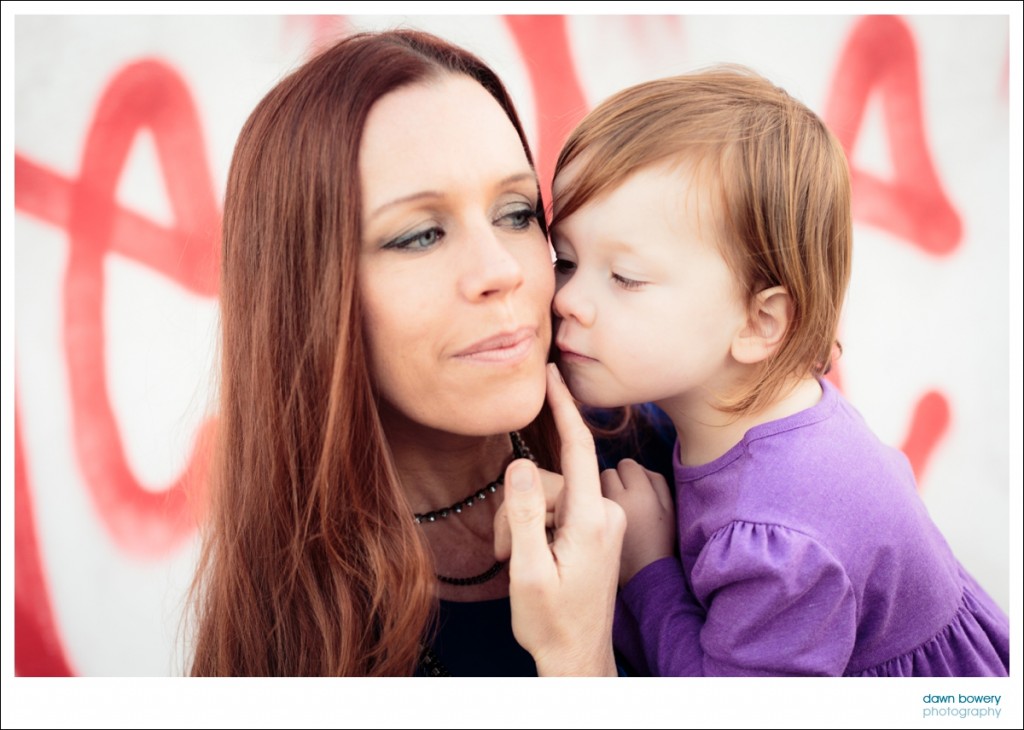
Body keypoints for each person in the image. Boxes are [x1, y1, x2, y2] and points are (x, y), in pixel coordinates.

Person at [186, 29, 633, 677]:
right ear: (310, 295)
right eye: (422, 234)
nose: (500, 269)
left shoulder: (663, 460)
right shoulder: (296, 649)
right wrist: (579, 661)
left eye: (515, 213)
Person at [548, 66, 1011, 676]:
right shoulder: (759, 413)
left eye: (625, 278)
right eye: (566, 261)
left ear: (760, 323)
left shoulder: (782, 541)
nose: (567, 300)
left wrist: (648, 571)